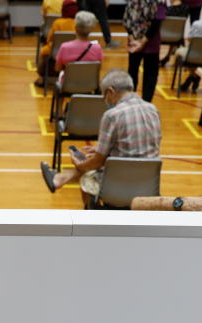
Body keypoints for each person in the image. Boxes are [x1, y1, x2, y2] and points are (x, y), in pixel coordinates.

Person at [40, 68, 162, 206]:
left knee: (88, 174)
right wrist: (104, 149)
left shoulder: (112, 115)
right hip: (148, 184)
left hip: (117, 186)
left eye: (105, 96)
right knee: (98, 165)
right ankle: (59, 179)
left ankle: (91, 215)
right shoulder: (153, 109)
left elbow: (97, 162)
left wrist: (80, 165)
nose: (106, 101)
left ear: (110, 91)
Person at [124, 0, 164, 102]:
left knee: (132, 71)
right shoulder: (159, 2)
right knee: (150, 73)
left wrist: (133, 39)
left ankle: (130, 103)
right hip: (150, 41)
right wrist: (142, 42)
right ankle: (146, 103)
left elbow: (126, 19)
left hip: (135, 41)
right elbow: (157, 21)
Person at [36, 0, 78, 86]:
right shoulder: (77, 23)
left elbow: (49, 38)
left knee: (44, 50)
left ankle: (41, 76)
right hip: (75, 51)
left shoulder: (57, 22)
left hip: (56, 51)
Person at [55, 10, 104, 79]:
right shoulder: (97, 48)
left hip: (68, 86)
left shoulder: (65, 47)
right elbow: (98, 69)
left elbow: (57, 68)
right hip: (89, 85)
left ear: (75, 27)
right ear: (91, 29)